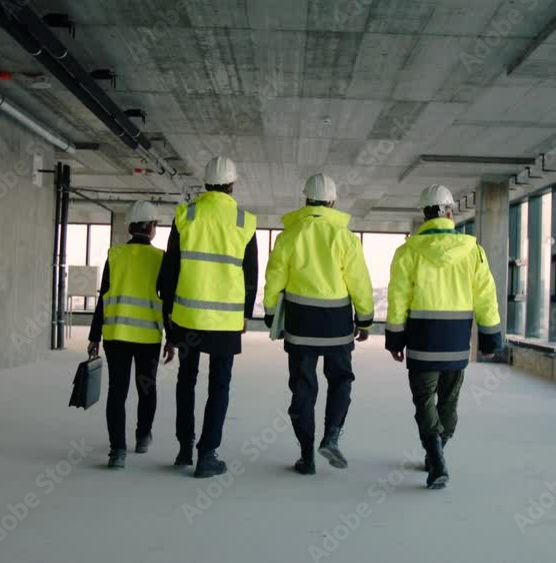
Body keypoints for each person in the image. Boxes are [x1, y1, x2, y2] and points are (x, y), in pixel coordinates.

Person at [385, 184, 503, 490]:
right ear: (450, 213)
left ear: (424, 215)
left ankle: (435, 457)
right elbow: (486, 297)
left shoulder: (408, 252)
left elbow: (398, 299)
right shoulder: (472, 250)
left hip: (422, 342)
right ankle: (438, 448)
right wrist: (491, 339)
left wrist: (395, 340)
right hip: (455, 344)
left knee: (425, 401)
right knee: (449, 403)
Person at [263, 173, 374, 475]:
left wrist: (271, 312)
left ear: (306, 200)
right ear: (333, 202)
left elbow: (275, 276)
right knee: (340, 380)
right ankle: (332, 436)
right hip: (337, 324)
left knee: (302, 387)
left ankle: (306, 455)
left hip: (300, 324)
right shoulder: (345, 238)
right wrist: (364, 319)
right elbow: (359, 282)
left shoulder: (290, 235)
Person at [157, 155, 258, 479]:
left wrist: (168, 314)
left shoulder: (186, 215)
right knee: (220, 385)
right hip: (225, 321)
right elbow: (251, 274)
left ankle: (184, 448)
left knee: (186, 380)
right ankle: (207, 454)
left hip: (187, 315)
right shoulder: (245, 221)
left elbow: (170, 268)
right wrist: (244, 313)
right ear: (232, 184)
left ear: (206, 183)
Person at [88, 201, 170, 470]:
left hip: (116, 336)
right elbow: (167, 301)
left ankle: (117, 451)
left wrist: (94, 336)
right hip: (148, 337)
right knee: (147, 388)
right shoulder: (161, 258)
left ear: (130, 227)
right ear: (152, 228)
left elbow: (103, 297)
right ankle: (143, 436)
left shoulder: (115, 254)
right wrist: (172, 337)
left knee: (117, 391)